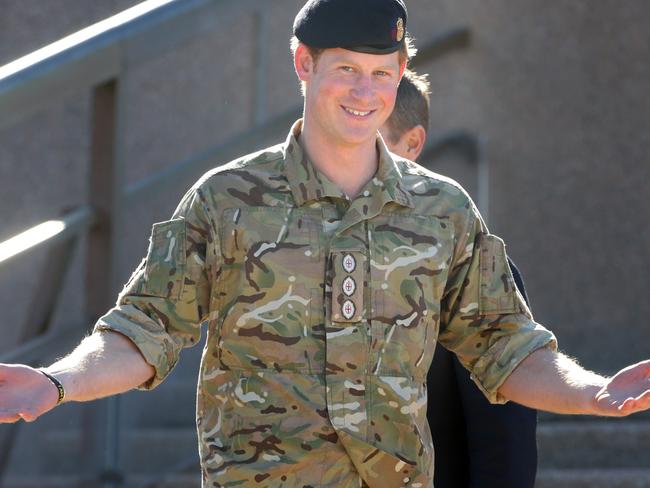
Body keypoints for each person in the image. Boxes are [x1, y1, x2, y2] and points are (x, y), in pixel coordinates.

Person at [1, 1, 649, 487]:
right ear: (303, 65)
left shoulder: (443, 210)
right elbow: (142, 331)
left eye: (381, 72)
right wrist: (56, 382)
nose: (365, 93)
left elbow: (507, 349)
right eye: (346, 69)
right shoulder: (226, 199)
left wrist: (594, 393)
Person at [379, 70, 538, 487]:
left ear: (411, 144)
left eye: (369, 139)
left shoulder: (466, 265)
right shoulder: (290, 258)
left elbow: (504, 448)